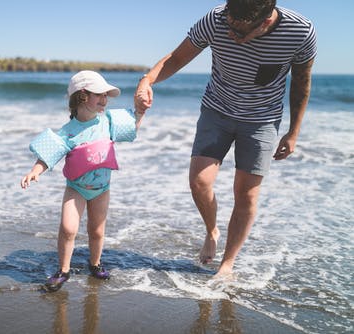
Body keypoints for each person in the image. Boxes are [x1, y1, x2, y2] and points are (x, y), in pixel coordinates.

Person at [134, 0, 316, 277]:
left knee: (246, 194)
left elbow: (302, 81)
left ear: (265, 22)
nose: (231, 33)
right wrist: (146, 81)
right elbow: (177, 58)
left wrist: (294, 131)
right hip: (216, 110)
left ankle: (227, 264)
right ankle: (212, 230)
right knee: (199, 182)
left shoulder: (300, 32)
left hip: (262, 120)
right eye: (230, 24)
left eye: (240, 32)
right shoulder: (217, 18)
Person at [21, 70, 143, 291]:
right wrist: (35, 170)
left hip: (102, 189)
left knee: (96, 230)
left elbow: (133, 128)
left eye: (107, 95)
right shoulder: (68, 131)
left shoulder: (108, 122)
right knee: (68, 229)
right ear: (83, 96)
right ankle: (63, 270)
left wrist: (141, 112)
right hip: (76, 188)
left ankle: (95, 264)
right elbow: (50, 153)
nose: (105, 100)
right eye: (100, 95)